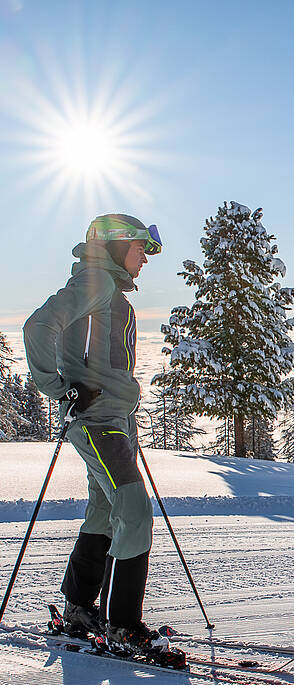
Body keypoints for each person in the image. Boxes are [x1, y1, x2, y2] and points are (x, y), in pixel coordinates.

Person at [23, 214, 166, 654]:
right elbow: (38, 326)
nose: (144, 258)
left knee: (105, 513)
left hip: (113, 418)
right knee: (135, 510)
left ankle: (80, 607)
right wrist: (60, 388)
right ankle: (123, 625)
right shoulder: (97, 283)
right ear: (117, 245)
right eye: (140, 247)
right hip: (99, 421)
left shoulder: (105, 287)